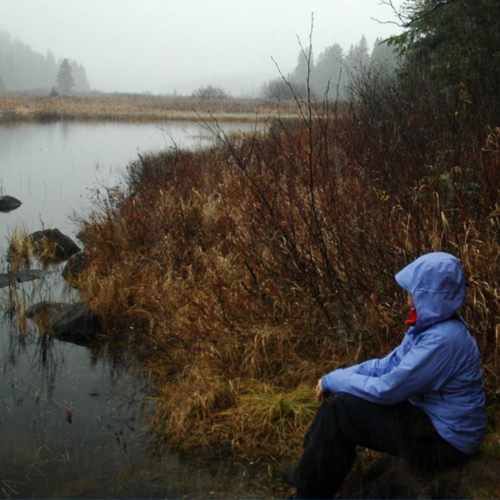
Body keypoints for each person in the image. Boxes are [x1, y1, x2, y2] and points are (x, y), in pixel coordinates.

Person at [283, 252, 487, 499]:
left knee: (343, 409)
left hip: (447, 442)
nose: (407, 295)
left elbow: (388, 389)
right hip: (431, 422)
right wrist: (335, 377)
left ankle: (307, 491)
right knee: (340, 402)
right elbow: (386, 365)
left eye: (412, 289)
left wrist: (334, 382)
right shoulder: (431, 327)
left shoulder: (442, 340)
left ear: (428, 294)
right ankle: (308, 471)